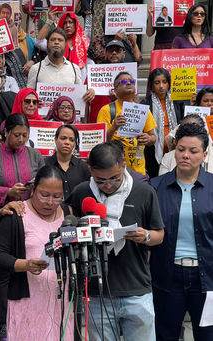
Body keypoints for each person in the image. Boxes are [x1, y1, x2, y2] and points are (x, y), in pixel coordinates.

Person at [66, 141, 165, 341]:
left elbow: (159, 235)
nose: (108, 185)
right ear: (90, 169)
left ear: (123, 165)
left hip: (136, 290)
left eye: (115, 179)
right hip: (96, 294)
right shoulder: (81, 193)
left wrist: (145, 236)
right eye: (100, 181)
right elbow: (67, 229)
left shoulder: (144, 192)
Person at [0, 165, 74, 340]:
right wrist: (26, 265)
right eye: (44, 195)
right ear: (33, 189)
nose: (50, 202)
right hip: (25, 302)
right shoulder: (16, 213)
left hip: (61, 302)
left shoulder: (67, 214)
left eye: (57, 197)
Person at [150, 123, 213, 340]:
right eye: (180, 149)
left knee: (207, 334)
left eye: (193, 151)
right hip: (167, 275)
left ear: (204, 154)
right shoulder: (156, 187)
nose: (185, 155)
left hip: (208, 277)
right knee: (165, 334)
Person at [97, 72, 157, 175]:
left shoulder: (143, 110)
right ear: (115, 90)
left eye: (132, 81)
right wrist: (114, 126)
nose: (129, 83)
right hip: (114, 170)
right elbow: (99, 141)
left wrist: (148, 139)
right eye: (124, 81)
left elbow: (153, 138)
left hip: (138, 171)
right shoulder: (106, 110)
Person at [0, 113, 44, 206]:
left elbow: (45, 182)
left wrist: (36, 184)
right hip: (2, 212)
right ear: (6, 132)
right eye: (17, 135)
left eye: (24, 135)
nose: (21, 139)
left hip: (31, 211)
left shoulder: (35, 155)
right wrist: (8, 192)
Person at [27, 27, 95, 104]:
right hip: (42, 115)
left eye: (60, 40)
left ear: (65, 44)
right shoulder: (36, 69)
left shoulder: (74, 69)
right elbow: (28, 96)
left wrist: (89, 93)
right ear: (47, 44)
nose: (56, 42)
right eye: (53, 39)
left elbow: (79, 97)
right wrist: (33, 101)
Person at [141, 68, 184, 178]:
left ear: (169, 84)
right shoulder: (145, 104)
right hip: (152, 152)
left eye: (164, 82)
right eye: (157, 82)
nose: (161, 86)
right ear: (151, 85)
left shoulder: (177, 102)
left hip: (175, 149)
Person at [88, 39, 141, 123]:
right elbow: (85, 100)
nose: (114, 53)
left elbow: (136, 100)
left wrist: (119, 97)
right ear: (105, 53)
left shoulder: (129, 74)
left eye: (118, 50)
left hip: (124, 124)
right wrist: (88, 92)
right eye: (110, 50)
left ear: (124, 53)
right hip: (98, 122)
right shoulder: (95, 72)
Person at [45, 124, 90, 199]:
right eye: (63, 138)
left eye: (71, 140)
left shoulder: (83, 167)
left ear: (75, 143)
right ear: (56, 139)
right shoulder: (45, 165)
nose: (67, 142)